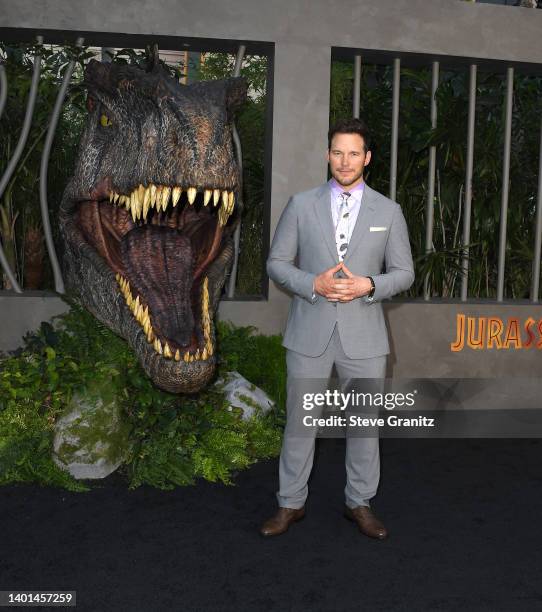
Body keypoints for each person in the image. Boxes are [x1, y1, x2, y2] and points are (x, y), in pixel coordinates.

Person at [261, 117, 414, 539]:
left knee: (364, 425)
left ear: (366, 158)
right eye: (337, 152)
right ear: (328, 155)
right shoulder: (301, 204)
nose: (344, 161)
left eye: (353, 153)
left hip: (364, 337)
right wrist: (313, 283)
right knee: (300, 422)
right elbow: (276, 263)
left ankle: (359, 502)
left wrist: (370, 285)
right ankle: (290, 503)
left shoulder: (389, 211)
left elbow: (404, 273)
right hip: (309, 332)